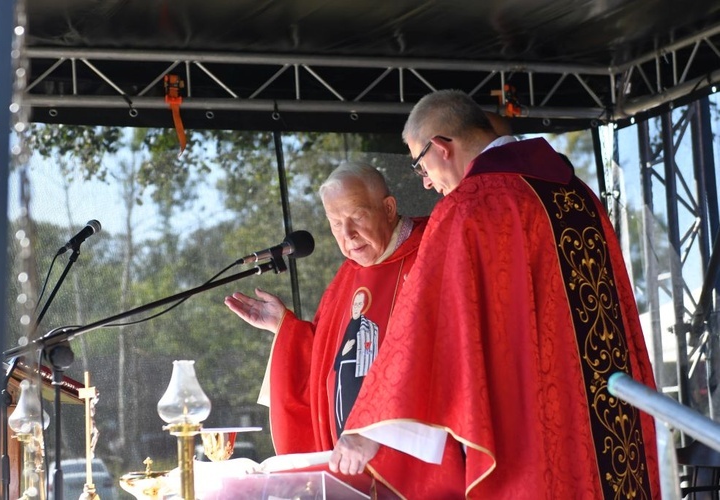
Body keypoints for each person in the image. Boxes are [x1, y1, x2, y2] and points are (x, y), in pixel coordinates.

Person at [329, 90, 661, 499]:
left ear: (441, 148)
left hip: (533, 428)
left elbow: (426, 329)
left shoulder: (470, 207)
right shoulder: (579, 196)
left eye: (421, 166)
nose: (428, 181)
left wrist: (370, 429)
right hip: (612, 423)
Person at [224, 161, 428, 455]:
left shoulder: (433, 250)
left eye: (357, 216)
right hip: (350, 459)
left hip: (411, 453)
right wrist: (285, 328)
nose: (348, 233)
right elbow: (322, 356)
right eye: (335, 223)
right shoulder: (347, 277)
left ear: (388, 208)